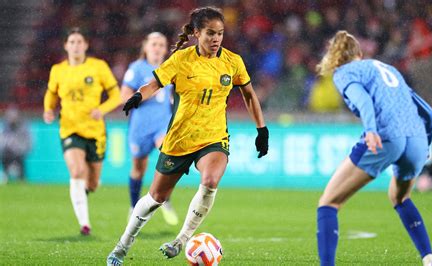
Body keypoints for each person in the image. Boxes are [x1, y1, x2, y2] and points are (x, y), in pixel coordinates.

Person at [107, 7, 269, 265]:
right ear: (196, 33)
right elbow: (154, 84)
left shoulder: (232, 61)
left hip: (213, 138)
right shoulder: (181, 60)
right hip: (179, 140)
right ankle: (121, 246)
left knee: (210, 180)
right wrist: (138, 96)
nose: (216, 39)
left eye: (220, 34)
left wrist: (262, 130)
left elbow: (249, 94)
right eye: (210, 34)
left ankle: (181, 240)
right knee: (155, 199)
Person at [315, 31, 432, 266]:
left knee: (328, 203)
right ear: (360, 54)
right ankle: (428, 257)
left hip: (385, 136)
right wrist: (426, 144)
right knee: (400, 197)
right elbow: (427, 112)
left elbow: (363, 100)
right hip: (417, 140)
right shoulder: (389, 69)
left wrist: (370, 129)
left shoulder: (344, 72)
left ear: (334, 58)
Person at [43, 28, 121, 236]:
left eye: (80, 42)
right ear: (66, 45)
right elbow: (51, 96)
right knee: (77, 171)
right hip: (69, 129)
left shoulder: (98, 67)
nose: (76, 45)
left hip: (95, 132)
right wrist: (48, 110)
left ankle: (82, 193)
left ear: (86, 45)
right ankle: (85, 224)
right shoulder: (58, 70)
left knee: (93, 183)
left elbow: (116, 95)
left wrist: (101, 109)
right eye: (72, 42)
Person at [121, 32, 179, 225]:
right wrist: (150, 92)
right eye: (154, 44)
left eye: (161, 44)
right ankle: (133, 206)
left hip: (162, 125)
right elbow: (124, 97)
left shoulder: (170, 68)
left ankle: (164, 198)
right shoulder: (136, 69)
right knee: (138, 169)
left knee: (168, 158)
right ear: (145, 47)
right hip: (140, 127)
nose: (157, 48)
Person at [0, 106, 31, 183]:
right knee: (5, 157)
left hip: (19, 154)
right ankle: (6, 176)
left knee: (20, 165)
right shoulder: (4, 128)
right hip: (7, 154)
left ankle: (21, 179)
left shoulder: (23, 128)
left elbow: (28, 143)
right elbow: (2, 142)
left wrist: (19, 149)